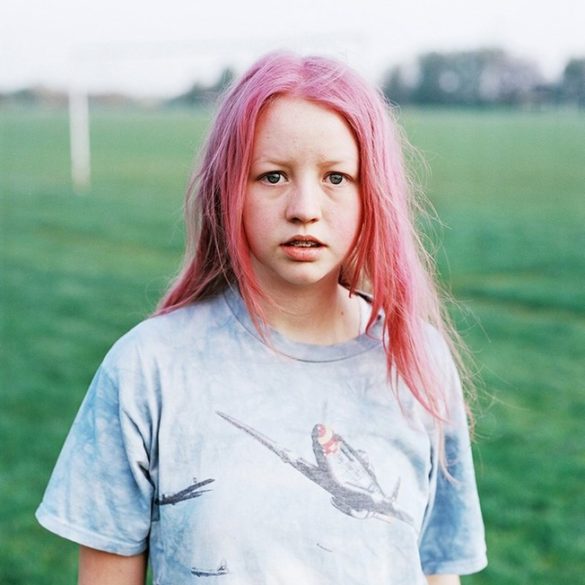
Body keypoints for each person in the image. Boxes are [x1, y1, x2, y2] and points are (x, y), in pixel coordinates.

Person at [36, 52, 487, 585]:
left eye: (336, 177)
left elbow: (436, 572)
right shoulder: (147, 368)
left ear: (373, 193)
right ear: (229, 191)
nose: (304, 208)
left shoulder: (417, 361)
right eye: (272, 176)